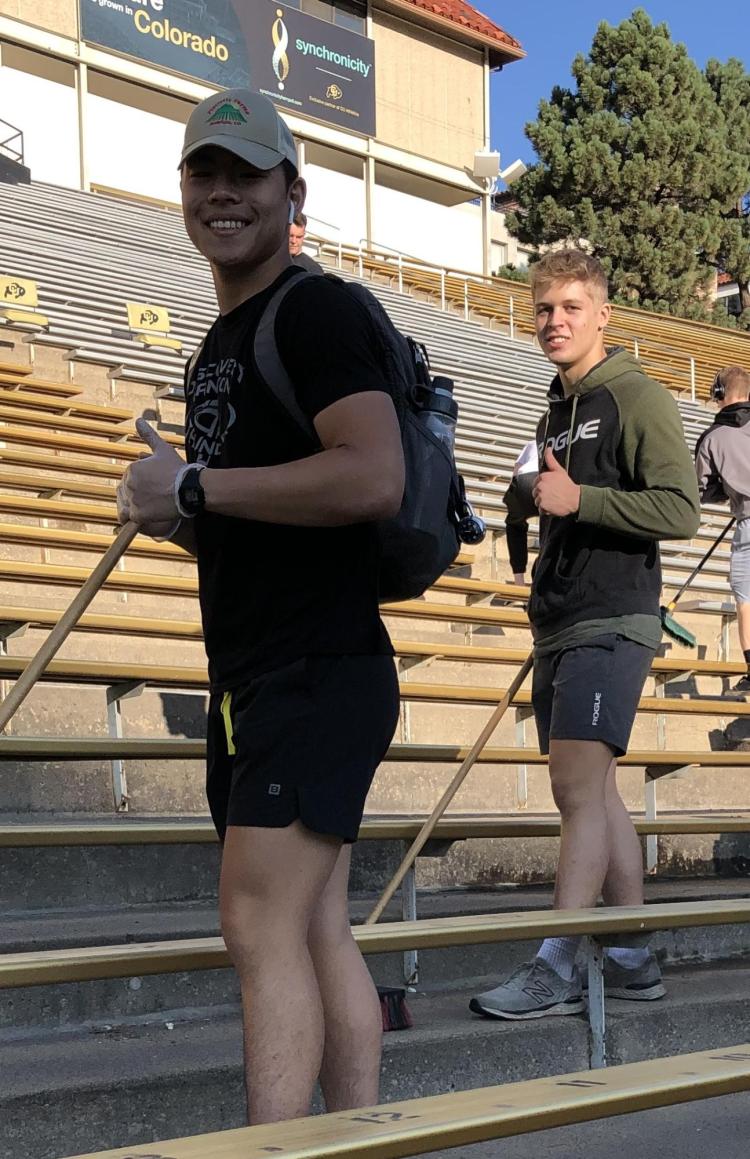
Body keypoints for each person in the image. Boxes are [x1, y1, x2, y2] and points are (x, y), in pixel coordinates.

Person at [116, 88, 404, 1124]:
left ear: (295, 192)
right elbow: (266, 512)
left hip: (315, 668)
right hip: (264, 674)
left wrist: (196, 486)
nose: (224, 191)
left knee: (259, 924)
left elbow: (371, 475)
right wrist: (184, 510)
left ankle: (276, 1153)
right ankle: (356, 1141)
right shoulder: (218, 343)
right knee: (315, 924)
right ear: (184, 189)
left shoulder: (313, 309)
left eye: (249, 172)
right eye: (206, 171)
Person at [470, 249, 700, 1020]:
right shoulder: (550, 413)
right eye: (543, 309)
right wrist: (523, 503)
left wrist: (580, 498)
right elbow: (546, 497)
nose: (554, 321)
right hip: (562, 617)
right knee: (598, 791)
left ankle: (558, 958)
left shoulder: (639, 397)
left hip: (615, 614)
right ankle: (632, 954)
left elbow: (680, 510)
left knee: (574, 786)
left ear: (603, 313)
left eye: (571, 306)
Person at [695, 366, 750, 693]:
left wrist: (732, 492)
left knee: (746, 599)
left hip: (747, 523)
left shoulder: (712, 437)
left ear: (719, 395)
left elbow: (699, 490)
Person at [503, 439, 538, 585]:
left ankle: (519, 582)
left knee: (514, 525)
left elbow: (516, 470)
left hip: (523, 478)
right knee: (554, 525)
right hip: (545, 478)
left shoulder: (532, 443)